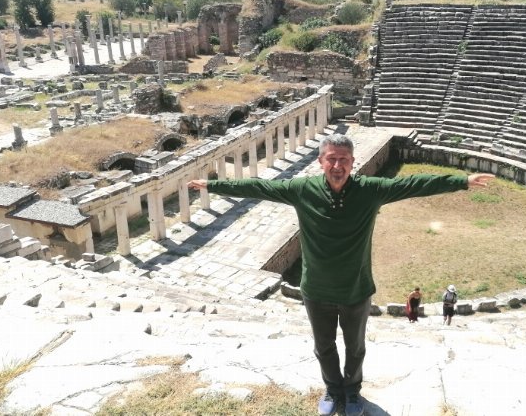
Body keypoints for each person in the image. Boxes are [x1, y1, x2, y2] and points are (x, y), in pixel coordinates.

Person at [188, 133, 493, 416]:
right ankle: (333, 390)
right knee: (323, 346)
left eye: (344, 160)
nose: (338, 165)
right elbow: (258, 187)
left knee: (355, 347)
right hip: (316, 290)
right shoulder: (302, 190)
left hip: (355, 289)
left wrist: (462, 181)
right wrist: (212, 186)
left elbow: (414, 184)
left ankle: (354, 392)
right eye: (331, 159)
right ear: (321, 162)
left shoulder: (370, 191)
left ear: (352, 162)